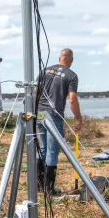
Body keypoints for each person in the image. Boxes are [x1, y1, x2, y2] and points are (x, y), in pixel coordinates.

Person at [35, 48, 82, 194]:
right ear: (71, 60)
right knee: (52, 151)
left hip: (39, 114)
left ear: (59, 58)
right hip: (54, 116)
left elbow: (35, 91)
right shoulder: (71, 75)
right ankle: (49, 189)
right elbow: (73, 99)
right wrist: (79, 119)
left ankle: (39, 186)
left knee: (43, 148)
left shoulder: (45, 71)